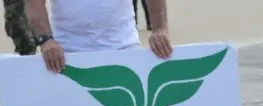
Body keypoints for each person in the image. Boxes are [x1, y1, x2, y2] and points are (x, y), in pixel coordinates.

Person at [24, 0, 173, 73]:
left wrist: (159, 29)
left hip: (124, 47)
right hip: (67, 53)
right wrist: (46, 40)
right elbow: (33, 3)